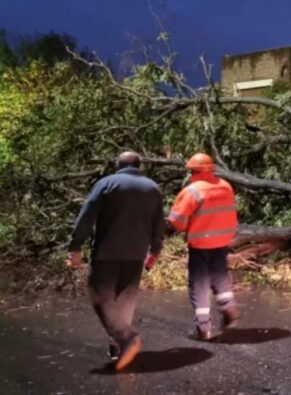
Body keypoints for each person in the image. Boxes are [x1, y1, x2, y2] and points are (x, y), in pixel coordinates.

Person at [67, 151, 165, 370]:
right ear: (139, 166)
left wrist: (75, 247)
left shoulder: (107, 183)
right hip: (137, 253)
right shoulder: (153, 188)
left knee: (99, 296)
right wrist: (155, 250)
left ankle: (126, 337)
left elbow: (87, 215)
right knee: (125, 297)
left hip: (106, 251)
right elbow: (159, 223)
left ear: (118, 165)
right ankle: (117, 345)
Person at [167, 153, 239, 341]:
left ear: (192, 170)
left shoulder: (192, 191)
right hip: (223, 240)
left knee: (199, 284)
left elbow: (177, 222)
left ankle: (203, 328)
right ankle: (228, 307)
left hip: (200, 243)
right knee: (220, 276)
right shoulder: (225, 186)